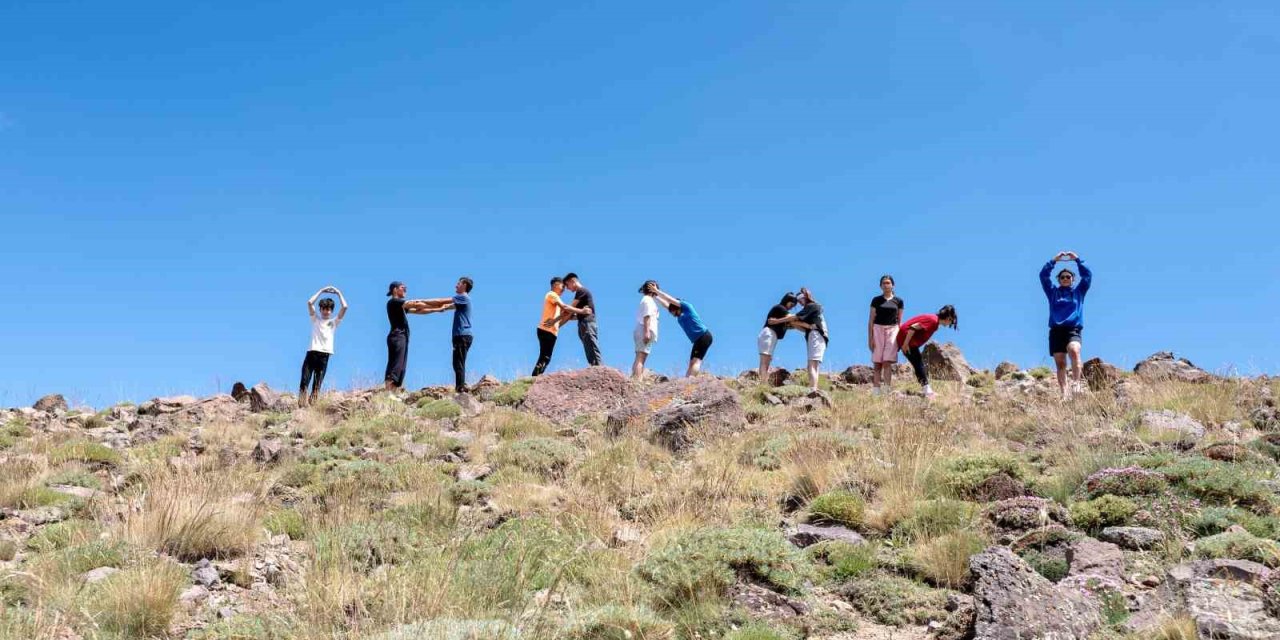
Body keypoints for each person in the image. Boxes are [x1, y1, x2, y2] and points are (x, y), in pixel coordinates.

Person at [1040, 251, 1093, 399]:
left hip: (1072, 329)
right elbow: (1043, 276)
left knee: (1074, 350)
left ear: (1072, 279)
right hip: (1056, 330)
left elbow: (1088, 276)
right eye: (1062, 277)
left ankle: (1076, 383)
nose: (1065, 279)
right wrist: (1054, 261)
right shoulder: (1053, 292)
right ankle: (1065, 393)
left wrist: (1078, 260)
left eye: (1068, 277)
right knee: (1060, 363)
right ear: (1059, 279)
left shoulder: (1079, 292)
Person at [384, 281, 452, 392]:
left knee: (401, 366)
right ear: (395, 289)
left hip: (402, 336)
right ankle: (388, 392)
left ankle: (393, 392)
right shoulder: (394, 302)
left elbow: (418, 310)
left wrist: (438, 309)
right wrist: (446, 301)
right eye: (403, 287)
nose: (405, 289)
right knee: (395, 364)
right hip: (397, 336)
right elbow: (416, 304)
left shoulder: (401, 306)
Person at [647, 283, 713, 377]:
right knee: (691, 363)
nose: (672, 314)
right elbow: (666, 305)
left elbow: (669, 300)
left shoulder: (687, 307)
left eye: (672, 311)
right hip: (697, 340)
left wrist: (656, 291)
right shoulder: (679, 315)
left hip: (704, 336)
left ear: (677, 307)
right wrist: (655, 296)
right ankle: (686, 381)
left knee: (696, 361)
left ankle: (691, 380)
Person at [896, 305, 959, 400]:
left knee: (918, 363)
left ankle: (927, 390)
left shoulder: (934, 321)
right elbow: (913, 328)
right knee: (918, 364)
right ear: (948, 318)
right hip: (907, 340)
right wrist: (905, 344)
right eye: (951, 321)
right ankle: (928, 392)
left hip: (907, 340)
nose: (950, 324)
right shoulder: (933, 321)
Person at [300, 286, 348, 407]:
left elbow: (345, 307)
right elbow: (309, 302)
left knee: (317, 384)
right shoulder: (315, 319)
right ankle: (301, 405)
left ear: (331, 311)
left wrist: (338, 292)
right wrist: (321, 291)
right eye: (324, 309)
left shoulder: (334, 322)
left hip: (324, 355)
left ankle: (313, 406)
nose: (326, 311)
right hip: (312, 352)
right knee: (305, 380)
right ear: (320, 309)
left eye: (328, 309)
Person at [868, 275, 905, 395]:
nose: (886, 285)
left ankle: (887, 389)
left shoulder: (898, 301)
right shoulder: (876, 300)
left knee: (887, 361)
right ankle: (876, 391)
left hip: (893, 330)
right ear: (880, 286)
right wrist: (870, 338)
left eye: (888, 283)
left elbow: (900, 321)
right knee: (877, 362)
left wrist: (900, 339)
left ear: (893, 285)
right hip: (878, 329)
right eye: (883, 283)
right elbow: (871, 320)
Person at [788, 287, 829, 392]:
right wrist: (798, 324)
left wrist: (781, 319)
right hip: (818, 335)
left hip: (816, 335)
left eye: (800, 299)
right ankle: (814, 388)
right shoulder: (814, 308)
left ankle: (813, 389)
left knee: (811, 365)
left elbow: (795, 317)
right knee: (815, 364)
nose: (799, 302)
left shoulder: (810, 306)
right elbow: (803, 326)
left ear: (805, 297)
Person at [532, 277, 572, 376]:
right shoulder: (552, 294)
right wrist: (580, 311)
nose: (564, 289)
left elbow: (566, 314)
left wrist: (576, 315)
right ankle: (534, 378)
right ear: (555, 285)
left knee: (546, 357)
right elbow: (565, 309)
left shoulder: (556, 298)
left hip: (551, 332)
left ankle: (536, 377)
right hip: (546, 329)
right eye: (562, 286)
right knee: (545, 356)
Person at [560, 273, 601, 366]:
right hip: (583, 323)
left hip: (587, 323)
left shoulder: (581, 291)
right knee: (589, 349)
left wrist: (557, 324)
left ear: (572, 281)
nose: (567, 288)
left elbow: (569, 309)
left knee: (592, 347)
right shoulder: (580, 293)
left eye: (567, 285)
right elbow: (575, 314)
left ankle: (599, 369)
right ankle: (595, 368)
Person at [757, 292, 799, 383]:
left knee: (767, 360)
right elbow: (793, 318)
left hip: (771, 335)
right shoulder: (780, 308)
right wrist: (804, 316)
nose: (792, 307)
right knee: (765, 361)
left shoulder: (782, 313)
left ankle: (763, 382)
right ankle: (763, 383)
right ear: (787, 300)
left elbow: (791, 323)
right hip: (769, 334)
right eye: (792, 304)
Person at [631, 281, 661, 379]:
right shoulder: (648, 300)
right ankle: (637, 380)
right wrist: (647, 332)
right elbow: (647, 316)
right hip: (644, 330)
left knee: (639, 356)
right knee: (641, 357)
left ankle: (635, 378)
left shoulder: (646, 299)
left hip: (642, 329)